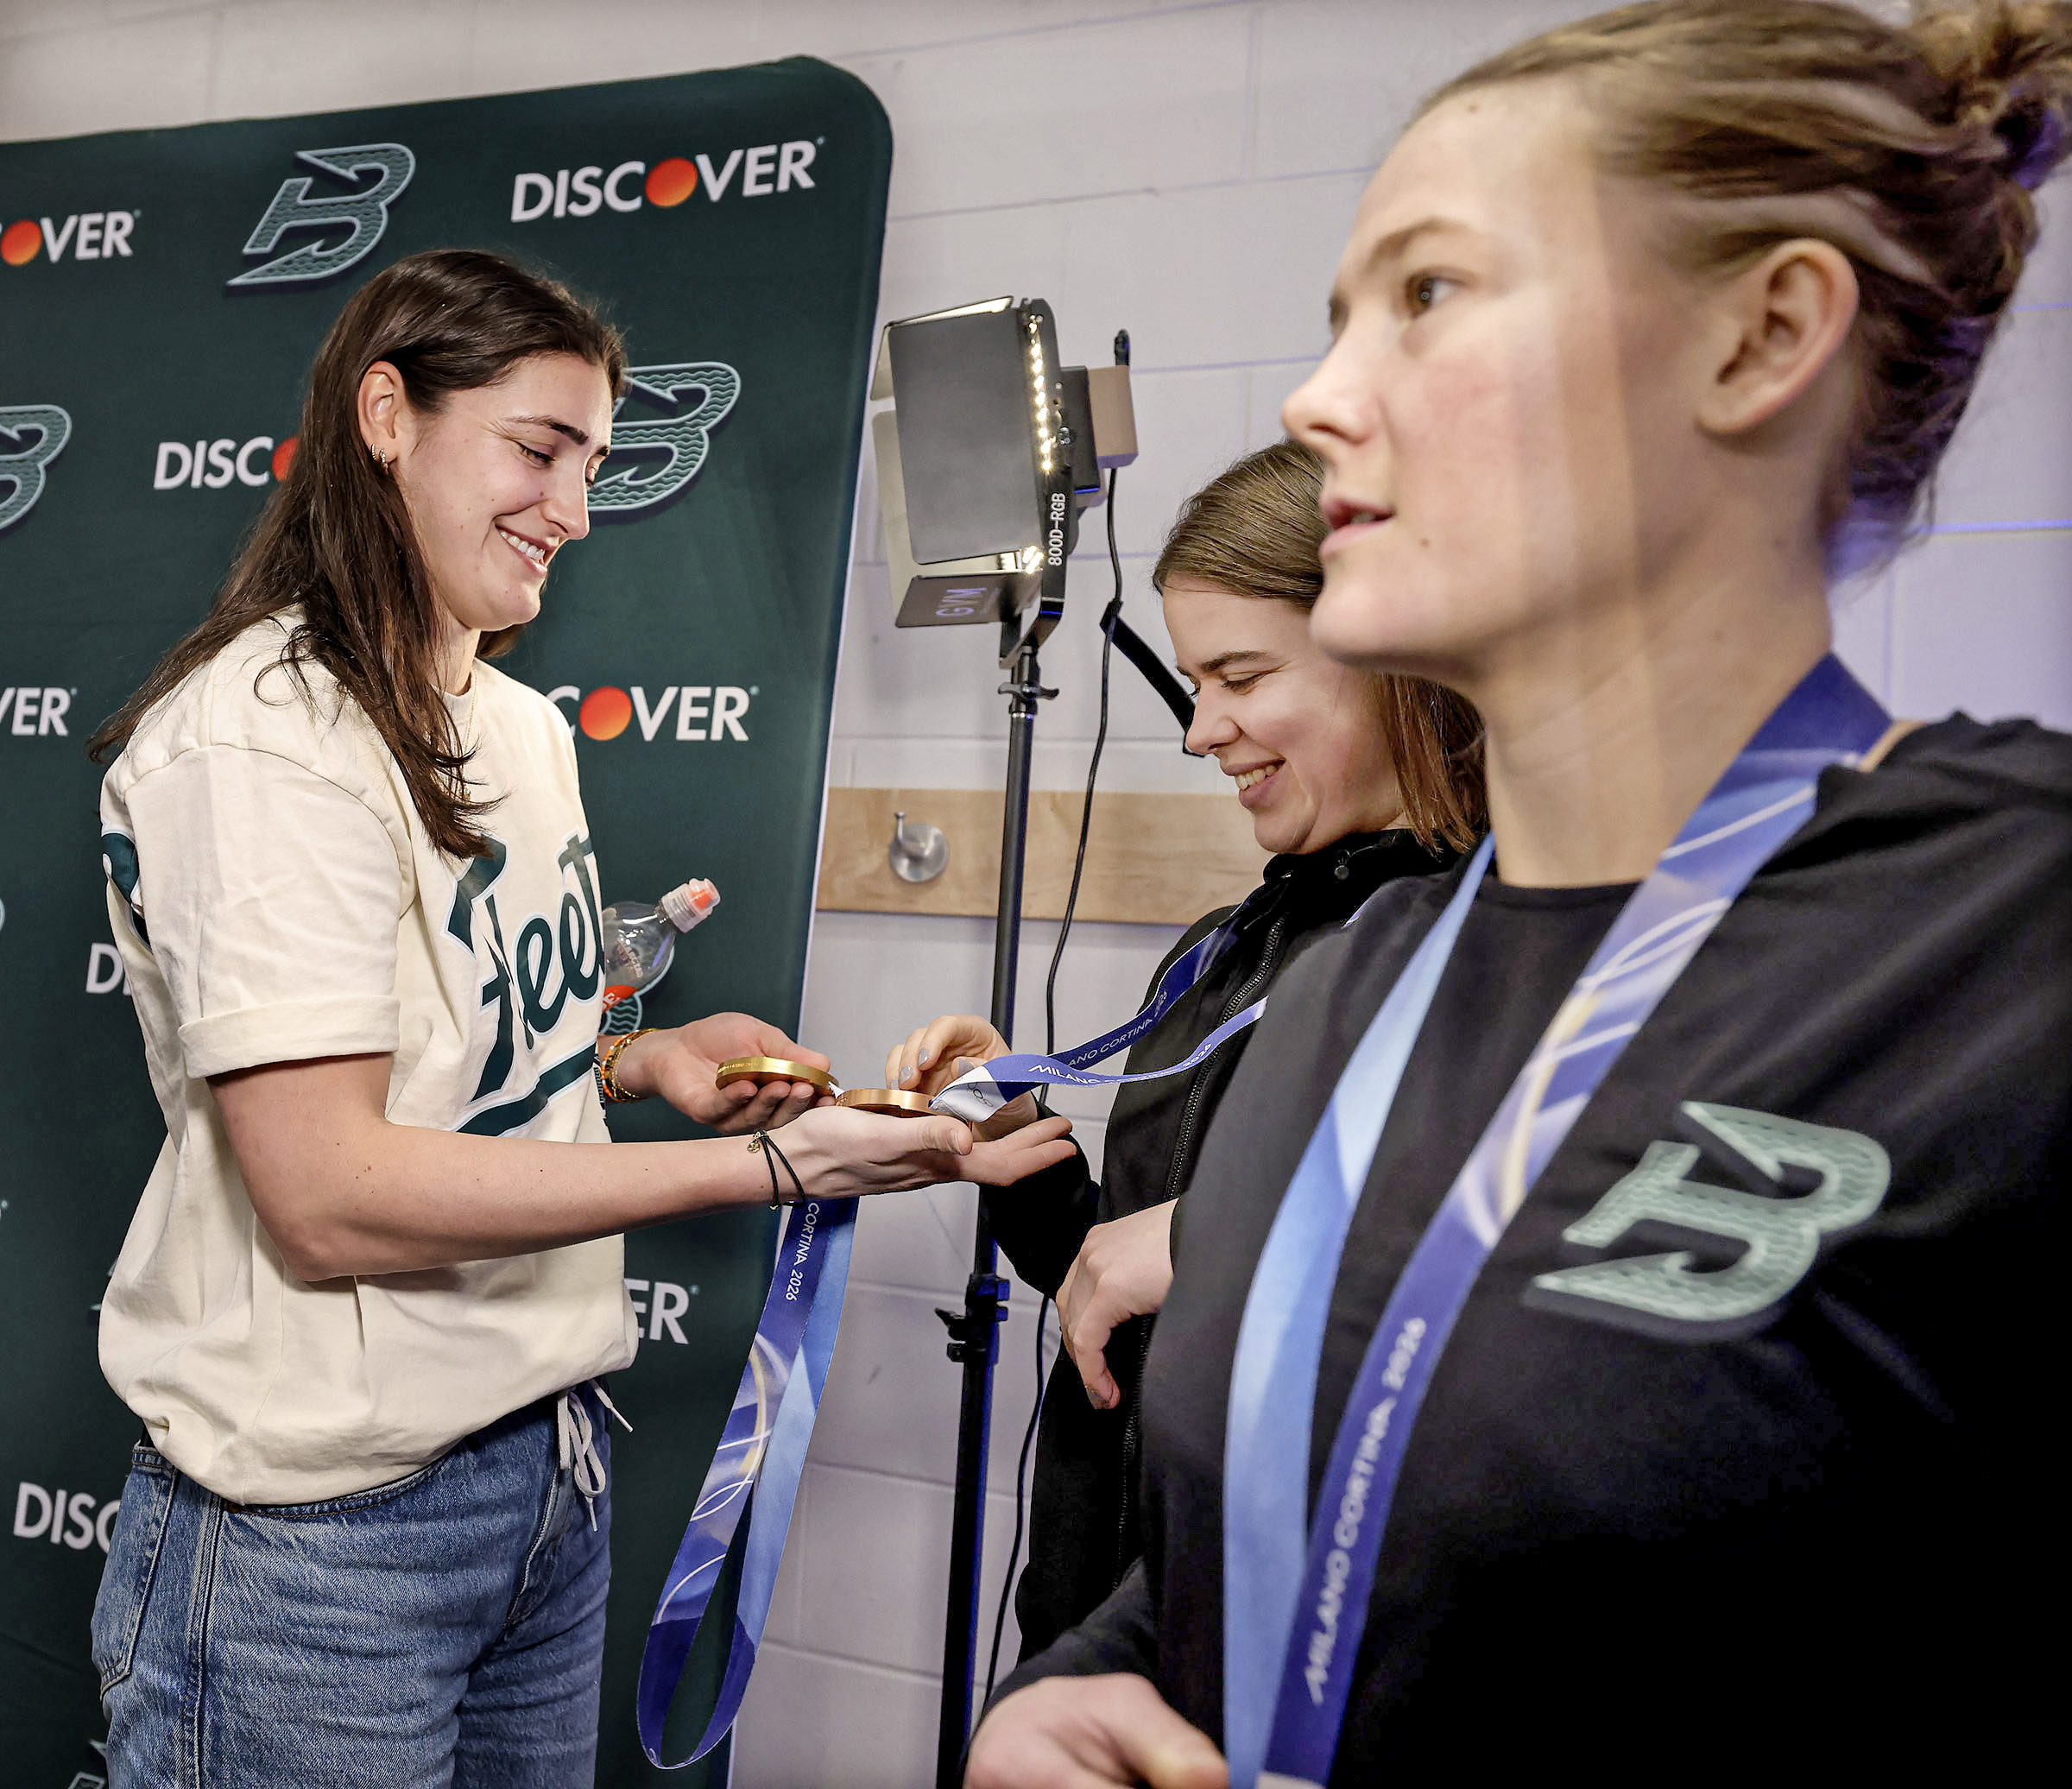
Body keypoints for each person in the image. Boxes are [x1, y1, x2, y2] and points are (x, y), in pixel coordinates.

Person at [967, 3, 2072, 1784]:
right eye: (1339, 319)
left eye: (1429, 294)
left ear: (1764, 332)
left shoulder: (2015, 938)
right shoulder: (1363, 983)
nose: (1318, 399)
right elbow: (1273, 1559)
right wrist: (1058, 1705)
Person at [83, 249, 1074, 1788]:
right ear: (388, 416)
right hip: (323, 1536)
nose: (579, 507)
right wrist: (778, 1169)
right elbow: (331, 1197)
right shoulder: (261, 740)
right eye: (539, 450)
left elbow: (455, 1063)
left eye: (596, 463)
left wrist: (645, 1061)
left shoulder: (523, 728)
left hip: (544, 1463)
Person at [887, 440, 1483, 1661]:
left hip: (1287, 1635)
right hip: (1098, 1603)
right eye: (1193, 682)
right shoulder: (1225, 946)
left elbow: (1478, 1300)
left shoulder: (1496, 957)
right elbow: (1118, 1280)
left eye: (1242, 676)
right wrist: (1025, 1158)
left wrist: (1215, 1242)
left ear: (1395, 661)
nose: (1202, 730)